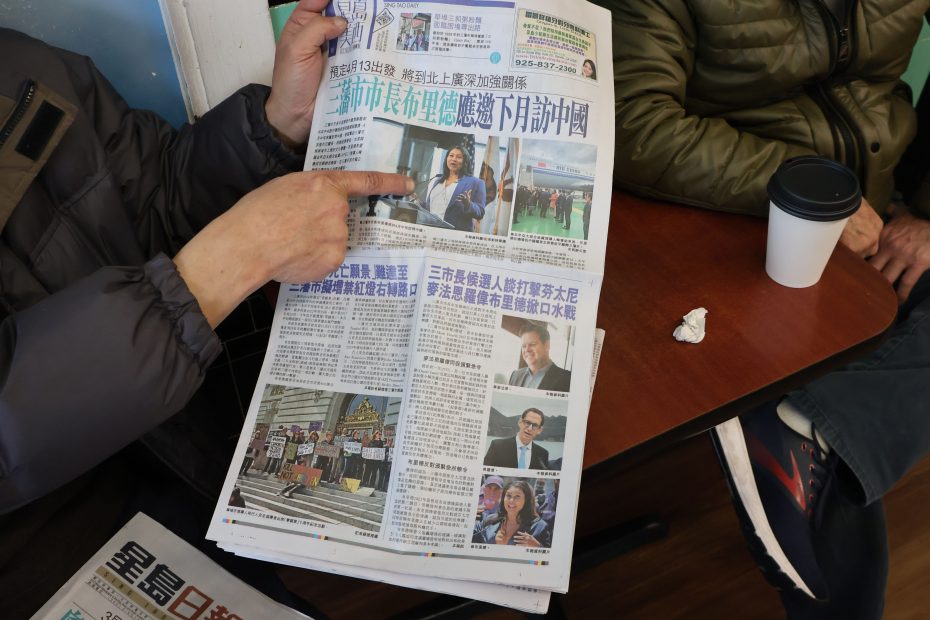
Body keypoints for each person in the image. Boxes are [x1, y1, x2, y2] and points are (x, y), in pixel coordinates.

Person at [0, 1, 413, 614]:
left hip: (187, 441)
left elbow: (152, 198)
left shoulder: (15, 62)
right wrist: (223, 265)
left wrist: (276, 126)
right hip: (51, 541)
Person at [605, 0, 930, 616]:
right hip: (735, 217)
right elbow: (632, 121)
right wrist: (810, 193)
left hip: (877, 203)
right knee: (834, 444)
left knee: (834, 424)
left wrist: (926, 214)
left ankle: (806, 425)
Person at [422, 146, 486, 231]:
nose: (454, 159)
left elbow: (480, 213)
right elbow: (433, 207)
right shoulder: (438, 180)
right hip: (430, 229)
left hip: (455, 234)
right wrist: (418, 202)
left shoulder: (476, 183)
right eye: (451, 155)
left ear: (465, 161)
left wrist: (468, 204)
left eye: (459, 157)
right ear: (446, 158)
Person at [472, 480, 551, 547]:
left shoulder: (540, 527)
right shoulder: (490, 520)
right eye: (508, 495)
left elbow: (548, 560)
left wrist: (538, 546)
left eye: (517, 496)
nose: (511, 500)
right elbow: (468, 538)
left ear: (526, 500)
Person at [507, 322, 572, 392]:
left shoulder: (567, 379)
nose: (527, 350)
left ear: (547, 345)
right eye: (524, 346)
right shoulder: (515, 375)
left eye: (532, 344)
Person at [483, 408, 550, 470]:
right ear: (520, 422)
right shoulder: (497, 446)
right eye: (527, 423)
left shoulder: (543, 454)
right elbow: (485, 472)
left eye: (535, 425)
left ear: (539, 430)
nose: (529, 428)